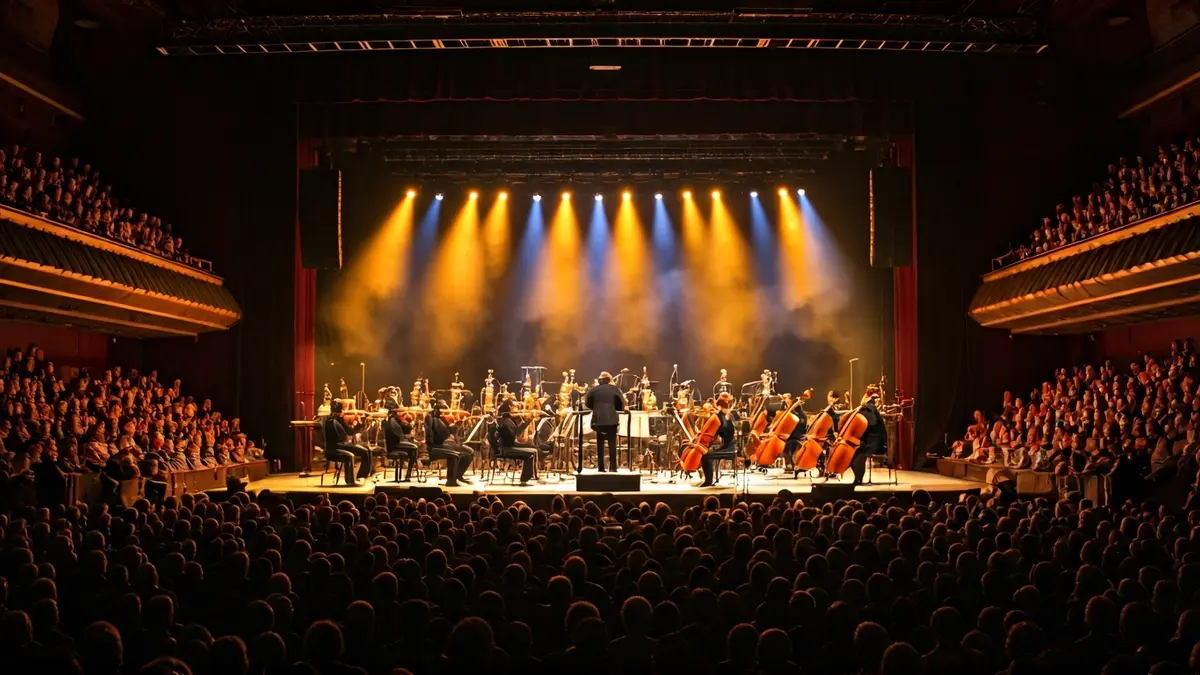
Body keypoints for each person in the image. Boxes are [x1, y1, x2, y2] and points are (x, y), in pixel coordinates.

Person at [320, 400, 372, 487]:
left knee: (366, 450)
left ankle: (362, 476)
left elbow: (350, 432)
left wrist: (359, 425)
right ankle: (360, 477)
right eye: (342, 410)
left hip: (340, 444)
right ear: (340, 411)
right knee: (365, 451)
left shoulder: (333, 420)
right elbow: (344, 435)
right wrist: (358, 425)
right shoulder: (332, 421)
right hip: (337, 446)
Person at [425, 401, 474, 487]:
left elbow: (447, 435)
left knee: (469, 451)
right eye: (444, 412)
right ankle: (453, 479)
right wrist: (456, 429)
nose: (446, 414)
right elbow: (447, 437)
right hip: (439, 446)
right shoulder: (436, 420)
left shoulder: (435, 419)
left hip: (442, 444)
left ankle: (457, 476)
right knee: (465, 452)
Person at [585, 371, 625, 472]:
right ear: (609, 380)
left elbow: (587, 404)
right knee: (612, 444)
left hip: (598, 420)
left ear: (599, 381)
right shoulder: (615, 389)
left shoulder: (593, 390)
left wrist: (596, 407)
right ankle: (613, 467)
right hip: (611, 419)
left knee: (600, 443)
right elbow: (621, 403)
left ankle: (601, 467)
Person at [494, 399, 538, 485]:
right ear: (509, 408)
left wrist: (527, 421)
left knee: (532, 447)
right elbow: (511, 436)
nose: (516, 410)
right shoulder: (505, 421)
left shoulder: (508, 420)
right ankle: (525, 478)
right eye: (514, 407)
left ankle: (531, 475)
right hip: (506, 447)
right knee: (530, 454)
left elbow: (516, 432)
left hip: (509, 444)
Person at [851, 384, 887, 486]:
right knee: (854, 456)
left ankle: (858, 479)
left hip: (875, 443)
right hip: (871, 440)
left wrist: (861, 410)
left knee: (857, 456)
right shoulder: (868, 407)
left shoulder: (869, 408)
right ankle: (858, 478)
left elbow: (871, 423)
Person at [701, 393, 739, 488]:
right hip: (731, 445)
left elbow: (715, 435)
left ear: (719, 406)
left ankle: (708, 481)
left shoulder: (721, 418)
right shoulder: (729, 414)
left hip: (728, 448)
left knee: (705, 456)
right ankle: (710, 478)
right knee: (707, 453)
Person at [382, 398, 418, 482]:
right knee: (414, 448)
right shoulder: (394, 418)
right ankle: (408, 474)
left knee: (413, 448)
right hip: (394, 444)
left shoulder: (389, 418)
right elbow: (406, 429)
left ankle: (408, 473)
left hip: (392, 443)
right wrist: (408, 422)